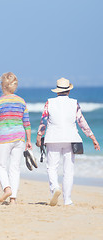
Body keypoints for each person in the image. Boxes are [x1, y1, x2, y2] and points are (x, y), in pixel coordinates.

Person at [36, 78, 100, 206]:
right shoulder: (74, 103)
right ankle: (68, 200)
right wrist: (92, 138)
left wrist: (39, 135)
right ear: (69, 90)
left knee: (52, 167)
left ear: (57, 91)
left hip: (53, 137)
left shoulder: (49, 102)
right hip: (71, 138)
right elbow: (82, 122)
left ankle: (55, 188)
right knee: (68, 170)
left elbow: (43, 121)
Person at [0, 72, 32, 205]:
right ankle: (13, 199)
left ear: (2, 86)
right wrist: (29, 141)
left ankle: (7, 189)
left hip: (4, 138)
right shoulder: (21, 101)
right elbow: (27, 123)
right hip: (20, 137)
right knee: (15, 168)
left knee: (0, 166)